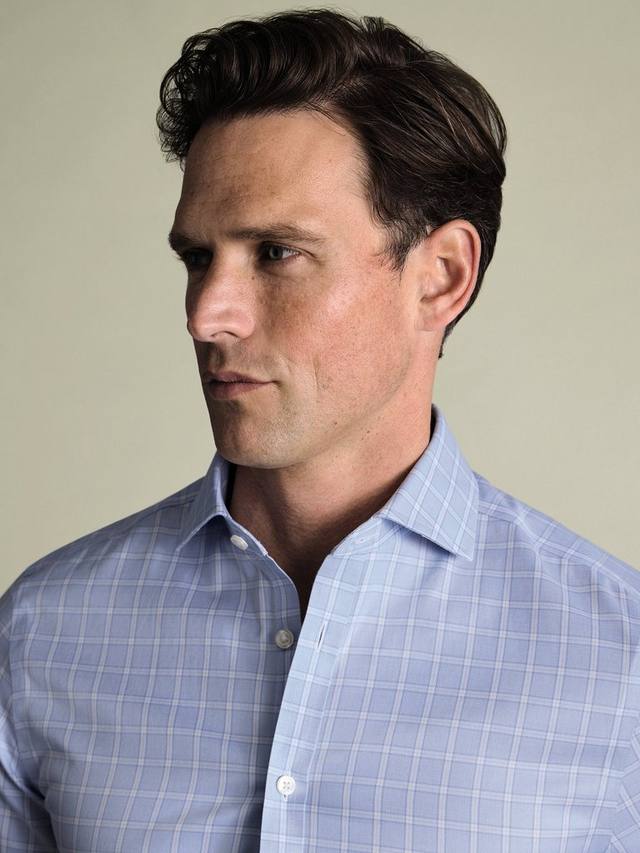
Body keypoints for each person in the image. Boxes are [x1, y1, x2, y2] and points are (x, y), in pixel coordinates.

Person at [1, 7, 637, 851]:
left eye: (276, 252)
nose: (206, 314)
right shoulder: (44, 630)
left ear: (440, 277)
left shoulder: (619, 660)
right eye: (198, 258)